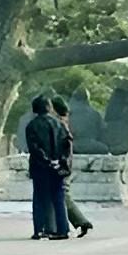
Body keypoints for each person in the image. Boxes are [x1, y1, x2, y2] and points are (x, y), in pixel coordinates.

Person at [25, 95, 70, 241]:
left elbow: (34, 147)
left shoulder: (32, 126)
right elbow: (67, 143)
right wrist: (61, 160)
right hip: (58, 166)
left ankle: (40, 229)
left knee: (39, 198)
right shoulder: (59, 124)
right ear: (49, 108)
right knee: (59, 197)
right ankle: (62, 229)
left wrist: (47, 160)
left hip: (40, 167)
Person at [51, 96, 93, 237]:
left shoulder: (59, 125)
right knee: (63, 194)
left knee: (63, 194)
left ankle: (81, 222)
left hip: (63, 164)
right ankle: (78, 222)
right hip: (66, 163)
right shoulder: (63, 123)